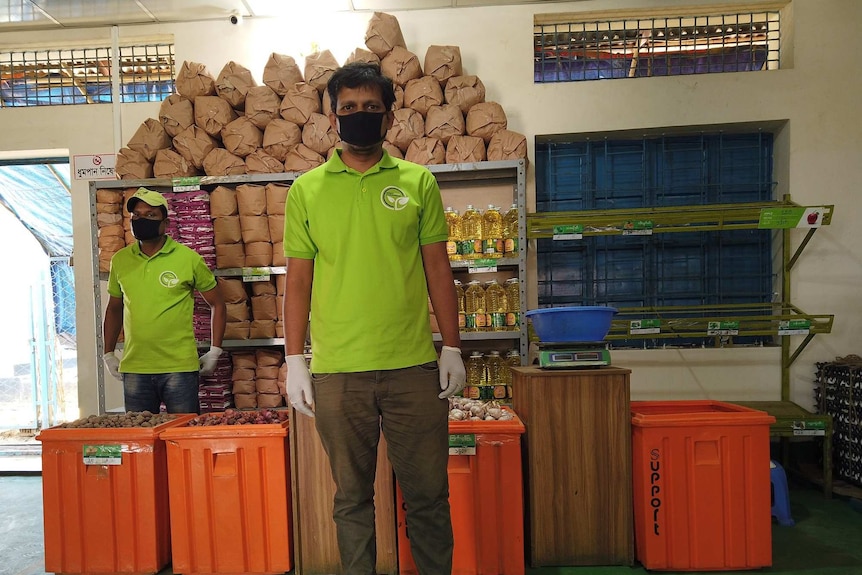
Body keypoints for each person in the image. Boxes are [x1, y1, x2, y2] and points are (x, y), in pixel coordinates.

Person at [283, 62, 466, 575]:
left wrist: (450, 346)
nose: (359, 117)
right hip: (339, 371)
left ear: (388, 116)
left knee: (429, 499)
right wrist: (294, 358)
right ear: (331, 115)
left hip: (413, 368)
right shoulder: (307, 190)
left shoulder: (418, 182)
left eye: (370, 108)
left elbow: (437, 269)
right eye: (348, 109)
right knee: (351, 501)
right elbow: (298, 280)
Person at [102, 187, 226, 414]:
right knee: (140, 443)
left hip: (179, 368)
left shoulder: (188, 259)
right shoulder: (120, 261)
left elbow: (217, 303)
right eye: (136, 216)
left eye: (150, 215)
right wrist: (108, 353)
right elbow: (114, 309)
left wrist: (215, 350)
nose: (142, 220)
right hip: (135, 368)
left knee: (182, 438)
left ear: (165, 223)